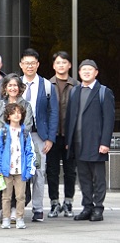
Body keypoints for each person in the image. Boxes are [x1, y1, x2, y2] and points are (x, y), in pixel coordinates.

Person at [66, 59, 115, 222]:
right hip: (78, 142)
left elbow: (109, 119)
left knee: (98, 178)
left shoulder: (104, 92)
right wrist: (69, 140)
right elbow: (70, 118)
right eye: (83, 70)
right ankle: (87, 206)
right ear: (79, 73)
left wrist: (105, 143)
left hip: (96, 143)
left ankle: (98, 208)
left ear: (96, 72)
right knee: (84, 177)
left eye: (90, 69)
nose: (86, 72)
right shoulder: (75, 91)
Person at [19, 48, 58, 222]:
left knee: (39, 172)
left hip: (39, 136)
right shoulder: (15, 84)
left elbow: (54, 113)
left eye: (32, 63)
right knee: (18, 171)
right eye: (26, 63)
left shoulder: (47, 85)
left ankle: (38, 209)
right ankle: (17, 206)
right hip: (18, 136)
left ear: (38, 65)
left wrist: (50, 138)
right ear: (21, 65)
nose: (29, 66)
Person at [0, 103, 37, 230]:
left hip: (20, 171)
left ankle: (19, 218)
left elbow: (30, 152)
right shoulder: (3, 132)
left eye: (19, 112)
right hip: (6, 170)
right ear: (8, 116)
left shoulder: (25, 133)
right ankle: (6, 218)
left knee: (20, 196)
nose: (16, 115)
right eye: (13, 112)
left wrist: (29, 169)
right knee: (6, 196)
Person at [47, 51, 78, 218]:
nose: (61, 65)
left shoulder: (76, 85)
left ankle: (68, 201)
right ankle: (54, 203)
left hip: (70, 136)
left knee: (70, 171)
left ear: (69, 65)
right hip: (52, 136)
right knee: (51, 171)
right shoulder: (47, 85)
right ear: (53, 65)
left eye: (64, 62)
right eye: (58, 62)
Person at [0, 74, 34, 138]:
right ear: (5, 88)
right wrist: (2, 138)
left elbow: (27, 127)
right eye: (10, 86)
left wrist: (14, 139)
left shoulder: (26, 105)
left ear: (19, 87)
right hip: (1, 143)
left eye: (15, 85)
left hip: (19, 143)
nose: (12, 88)